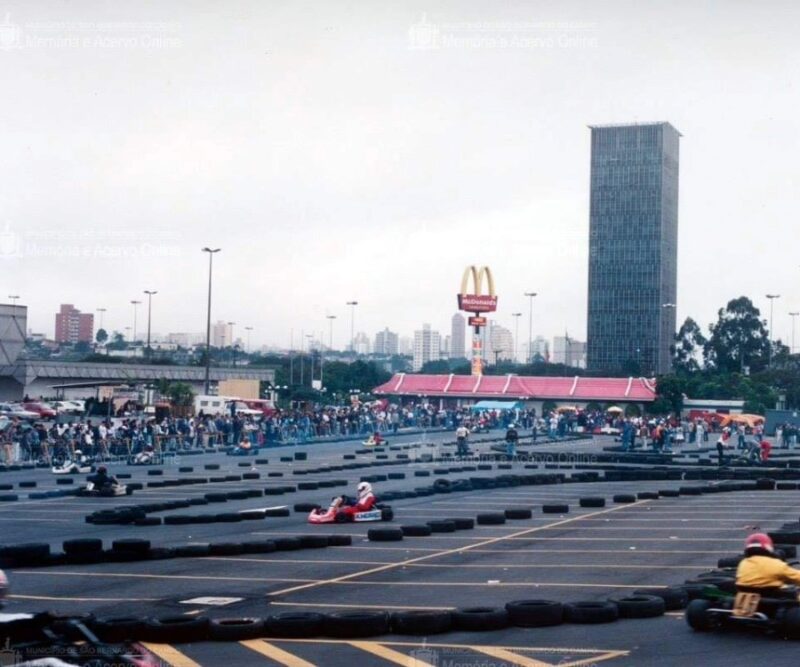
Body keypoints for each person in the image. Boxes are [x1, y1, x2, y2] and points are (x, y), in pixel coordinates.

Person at [736, 533, 800, 597]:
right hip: (774, 602)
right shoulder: (776, 564)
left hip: (748, 602)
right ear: (768, 547)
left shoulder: (743, 563)